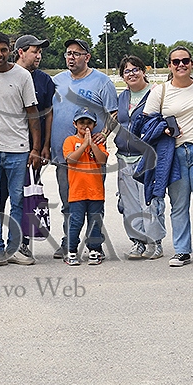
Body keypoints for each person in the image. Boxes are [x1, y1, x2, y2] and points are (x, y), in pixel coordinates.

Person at [0, 34, 55, 262]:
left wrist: (36, 148)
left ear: (10, 50)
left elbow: (33, 114)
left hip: (18, 149)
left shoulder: (22, 76)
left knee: (18, 200)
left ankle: (15, 247)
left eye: (3, 50)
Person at [143, 46, 193, 269]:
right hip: (174, 154)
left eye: (185, 61)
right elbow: (146, 122)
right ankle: (182, 250)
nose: (181, 65)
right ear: (169, 65)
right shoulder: (161, 91)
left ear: (191, 63)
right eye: (176, 62)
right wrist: (164, 129)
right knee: (178, 205)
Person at [51, 39, 118, 258]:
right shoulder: (57, 81)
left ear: (87, 57)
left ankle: (94, 245)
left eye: (76, 54)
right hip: (65, 157)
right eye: (68, 53)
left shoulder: (102, 81)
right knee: (69, 203)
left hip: (91, 159)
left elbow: (113, 112)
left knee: (93, 204)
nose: (71, 57)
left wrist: (104, 134)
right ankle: (69, 243)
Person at [114, 55, 166, 260]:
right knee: (129, 204)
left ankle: (155, 242)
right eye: (127, 71)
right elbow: (116, 121)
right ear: (122, 76)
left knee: (149, 201)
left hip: (146, 157)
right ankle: (138, 242)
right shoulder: (122, 97)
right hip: (124, 157)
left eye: (136, 69)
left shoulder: (155, 93)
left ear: (144, 71)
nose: (132, 74)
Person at [63, 108, 109, 266]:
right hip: (77, 191)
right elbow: (71, 159)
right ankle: (71, 250)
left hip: (95, 191)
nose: (85, 125)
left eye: (89, 122)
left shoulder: (98, 142)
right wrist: (84, 145)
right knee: (76, 222)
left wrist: (92, 144)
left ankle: (94, 249)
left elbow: (102, 160)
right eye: (81, 122)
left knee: (95, 221)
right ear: (75, 124)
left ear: (94, 125)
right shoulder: (70, 141)